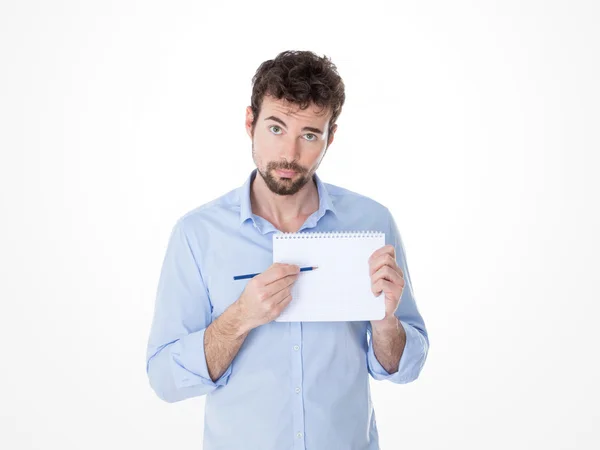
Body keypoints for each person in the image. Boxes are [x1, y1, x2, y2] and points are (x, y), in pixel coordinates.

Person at [146, 50, 429, 450]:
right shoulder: (197, 235)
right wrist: (240, 317)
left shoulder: (372, 222)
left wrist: (386, 322)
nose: (290, 155)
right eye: (276, 128)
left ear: (330, 137)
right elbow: (164, 379)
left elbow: (407, 367)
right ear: (250, 122)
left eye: (309, 135)